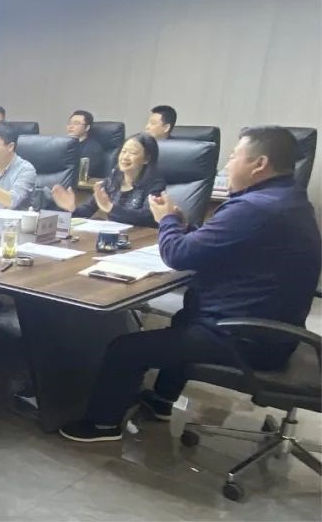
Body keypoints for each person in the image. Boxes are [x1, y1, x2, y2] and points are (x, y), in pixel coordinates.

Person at [61, 126, 321, 442]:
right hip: (272, 330)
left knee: (125, 349)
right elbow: (223, 242)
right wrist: (185, 225)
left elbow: (178, 254)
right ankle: (161, 401)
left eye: (233, 156)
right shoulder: (286, 199)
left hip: (247, 338)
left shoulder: (255, 207)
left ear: (259, 163)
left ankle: (103, 425)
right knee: (185, 320)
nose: (227, 166)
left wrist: (167, 220)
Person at [51, 134, 166, 227]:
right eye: (123, 151)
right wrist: (71, 209)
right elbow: (88, 210)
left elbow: (148, 217)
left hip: (141, 239)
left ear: (146, 159)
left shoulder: (155, 185)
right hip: (113, 237)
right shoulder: (112, 181)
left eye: (132, 153)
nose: (125, 157)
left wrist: (111, 208)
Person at [66, 110, 105, 178]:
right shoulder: (63, 145)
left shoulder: (94, 149)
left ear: (87, 128)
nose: (71, 126)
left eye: (76, 123)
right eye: (69, 123)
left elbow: (83, 173)